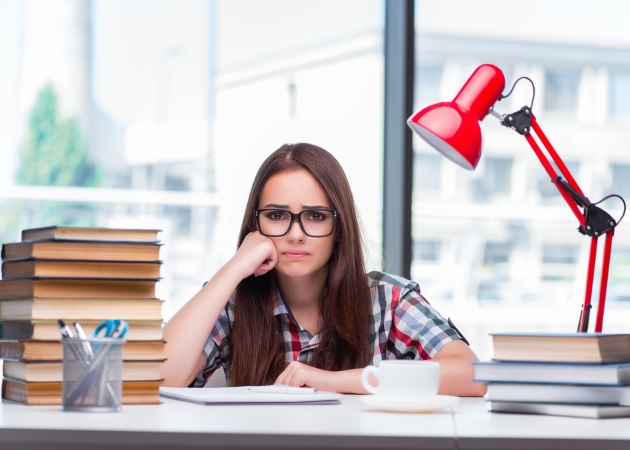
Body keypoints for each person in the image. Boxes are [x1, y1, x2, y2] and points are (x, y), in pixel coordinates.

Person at [161, 142, 486, 396]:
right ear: (255, 225)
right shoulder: (235, 303)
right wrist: (234, 268)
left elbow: (472, 374)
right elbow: (158, 377)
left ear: (339, 227)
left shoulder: (388, 301)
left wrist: (333, 381)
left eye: (315, 216)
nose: (296, 233)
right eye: (276, 215)